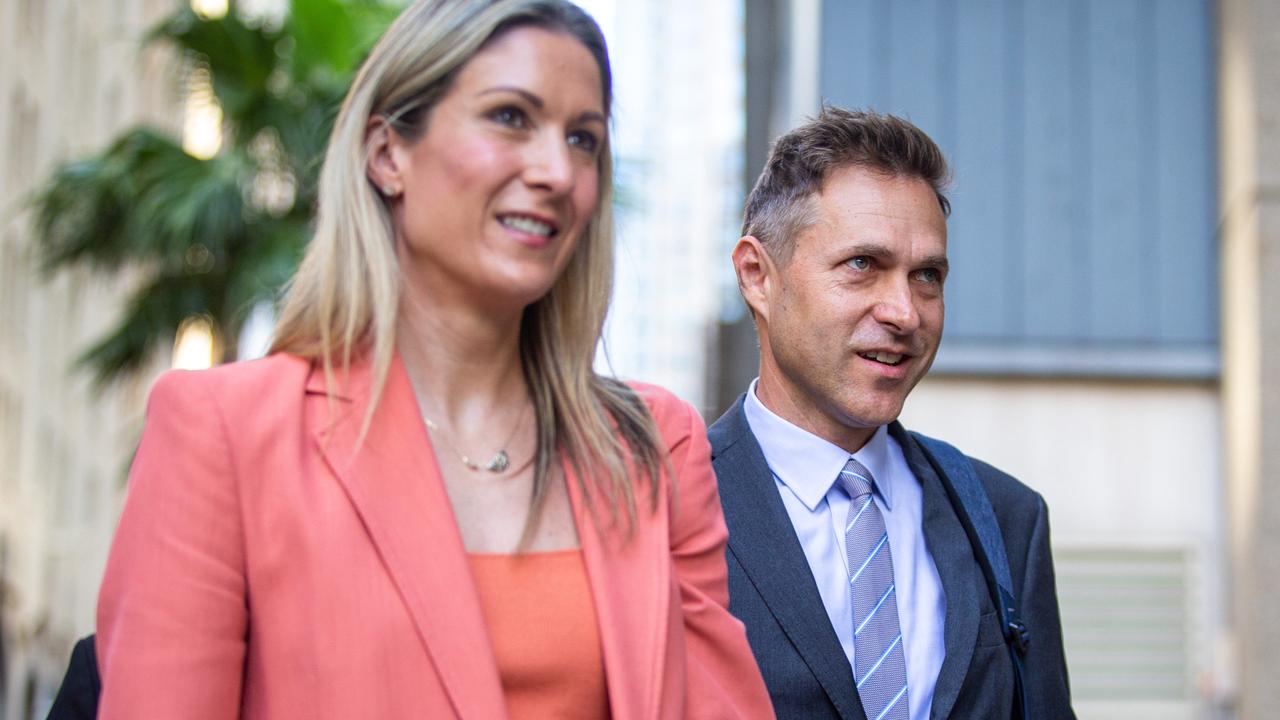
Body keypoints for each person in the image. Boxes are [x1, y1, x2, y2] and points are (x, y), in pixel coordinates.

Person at [93, 1, 772, 717]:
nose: (556, 170)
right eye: (511, 117)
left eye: (583, 139)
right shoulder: (223, 432)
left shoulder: (653, 445)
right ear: (388, 153)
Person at [709, 107, 1074, 719]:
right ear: (757, 276)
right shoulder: (665, 507)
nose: (905, 312)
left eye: (927, 275)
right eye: (863, 265)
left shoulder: (1007, 519)